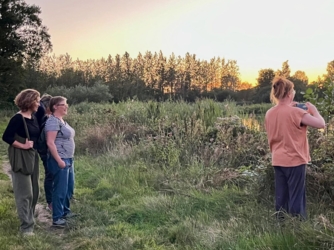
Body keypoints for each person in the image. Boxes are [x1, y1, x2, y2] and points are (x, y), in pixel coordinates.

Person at [265, 76, 325, 220]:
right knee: (296, 196)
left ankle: (281, 224)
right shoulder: (296, 112)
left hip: (278, 159)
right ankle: (297, 226)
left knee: (281, 196)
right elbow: (321, 124)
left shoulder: (269, 113)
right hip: (295, 160)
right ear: (289, 93)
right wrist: (314, 110)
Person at [2, 89, 41, 236]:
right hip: (21, 158)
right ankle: (26, 227)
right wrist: (23, 145)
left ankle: (30, 218)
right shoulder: (18, 118)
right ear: (29, 101)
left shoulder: (33, 116)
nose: (38, 103)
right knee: (25, 193)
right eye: (36, 100)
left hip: (32, 156)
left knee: (35, 191)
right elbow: (6, 137)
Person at [45, 96, 76, 227]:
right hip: (60, 159)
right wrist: (59, 160)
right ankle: (57, 218)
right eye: (63, 104)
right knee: (60, 189)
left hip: (69, 158)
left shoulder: (61, 120)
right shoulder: (52, 121)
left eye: (66, 104)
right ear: (55, 107)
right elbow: (50, 142)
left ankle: (65, 212)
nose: (66, 106)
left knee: (68, 188)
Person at [35, 94, 53, 211]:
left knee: (50, 173)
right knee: (49, 173)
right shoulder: (40, 111)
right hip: (43, 147)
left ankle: (51, 201)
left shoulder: (39, 110)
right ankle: (50, 203)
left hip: (41, 146)